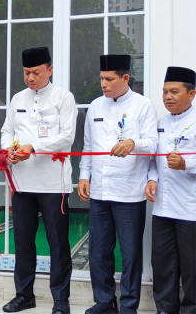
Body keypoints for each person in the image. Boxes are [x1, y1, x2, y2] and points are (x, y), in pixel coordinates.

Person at [77, 55, 158, 314]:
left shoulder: (143, 106)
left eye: (109, 79)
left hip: (130, 192)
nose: (104, 83)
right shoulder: (95, 107)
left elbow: (153, 144)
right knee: (99, 251)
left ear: (125, 78)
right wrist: (83, 176)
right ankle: (104, 301)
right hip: (100, 191)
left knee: (131, 253)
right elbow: (88, 147)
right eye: (101, 78)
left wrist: (134, 143)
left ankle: (129, 305)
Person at [1, 47, 77, 314]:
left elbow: (67, 137)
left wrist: (33, 147)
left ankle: (60, 299)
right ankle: (24, 295)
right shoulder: (18, 98)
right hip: (22, 184)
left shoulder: (63, 98)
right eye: (26, 73)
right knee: (23, 241)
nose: (30, 78)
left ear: (50, 70)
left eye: (35, 72)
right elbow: (7, 130)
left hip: (54, 184)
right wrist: (9, 150)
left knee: (58, 242)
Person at [145, 66, 196, 314]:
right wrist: (152, 179)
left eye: (174, 91)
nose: (167, 97)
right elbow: (154, 161)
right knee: (163, 264)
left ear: (192, 94)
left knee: (192, 267)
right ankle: (165, 309)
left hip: (190, 209)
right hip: (163, 207)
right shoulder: (160, 123)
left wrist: (188, 164)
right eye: (165, 92)